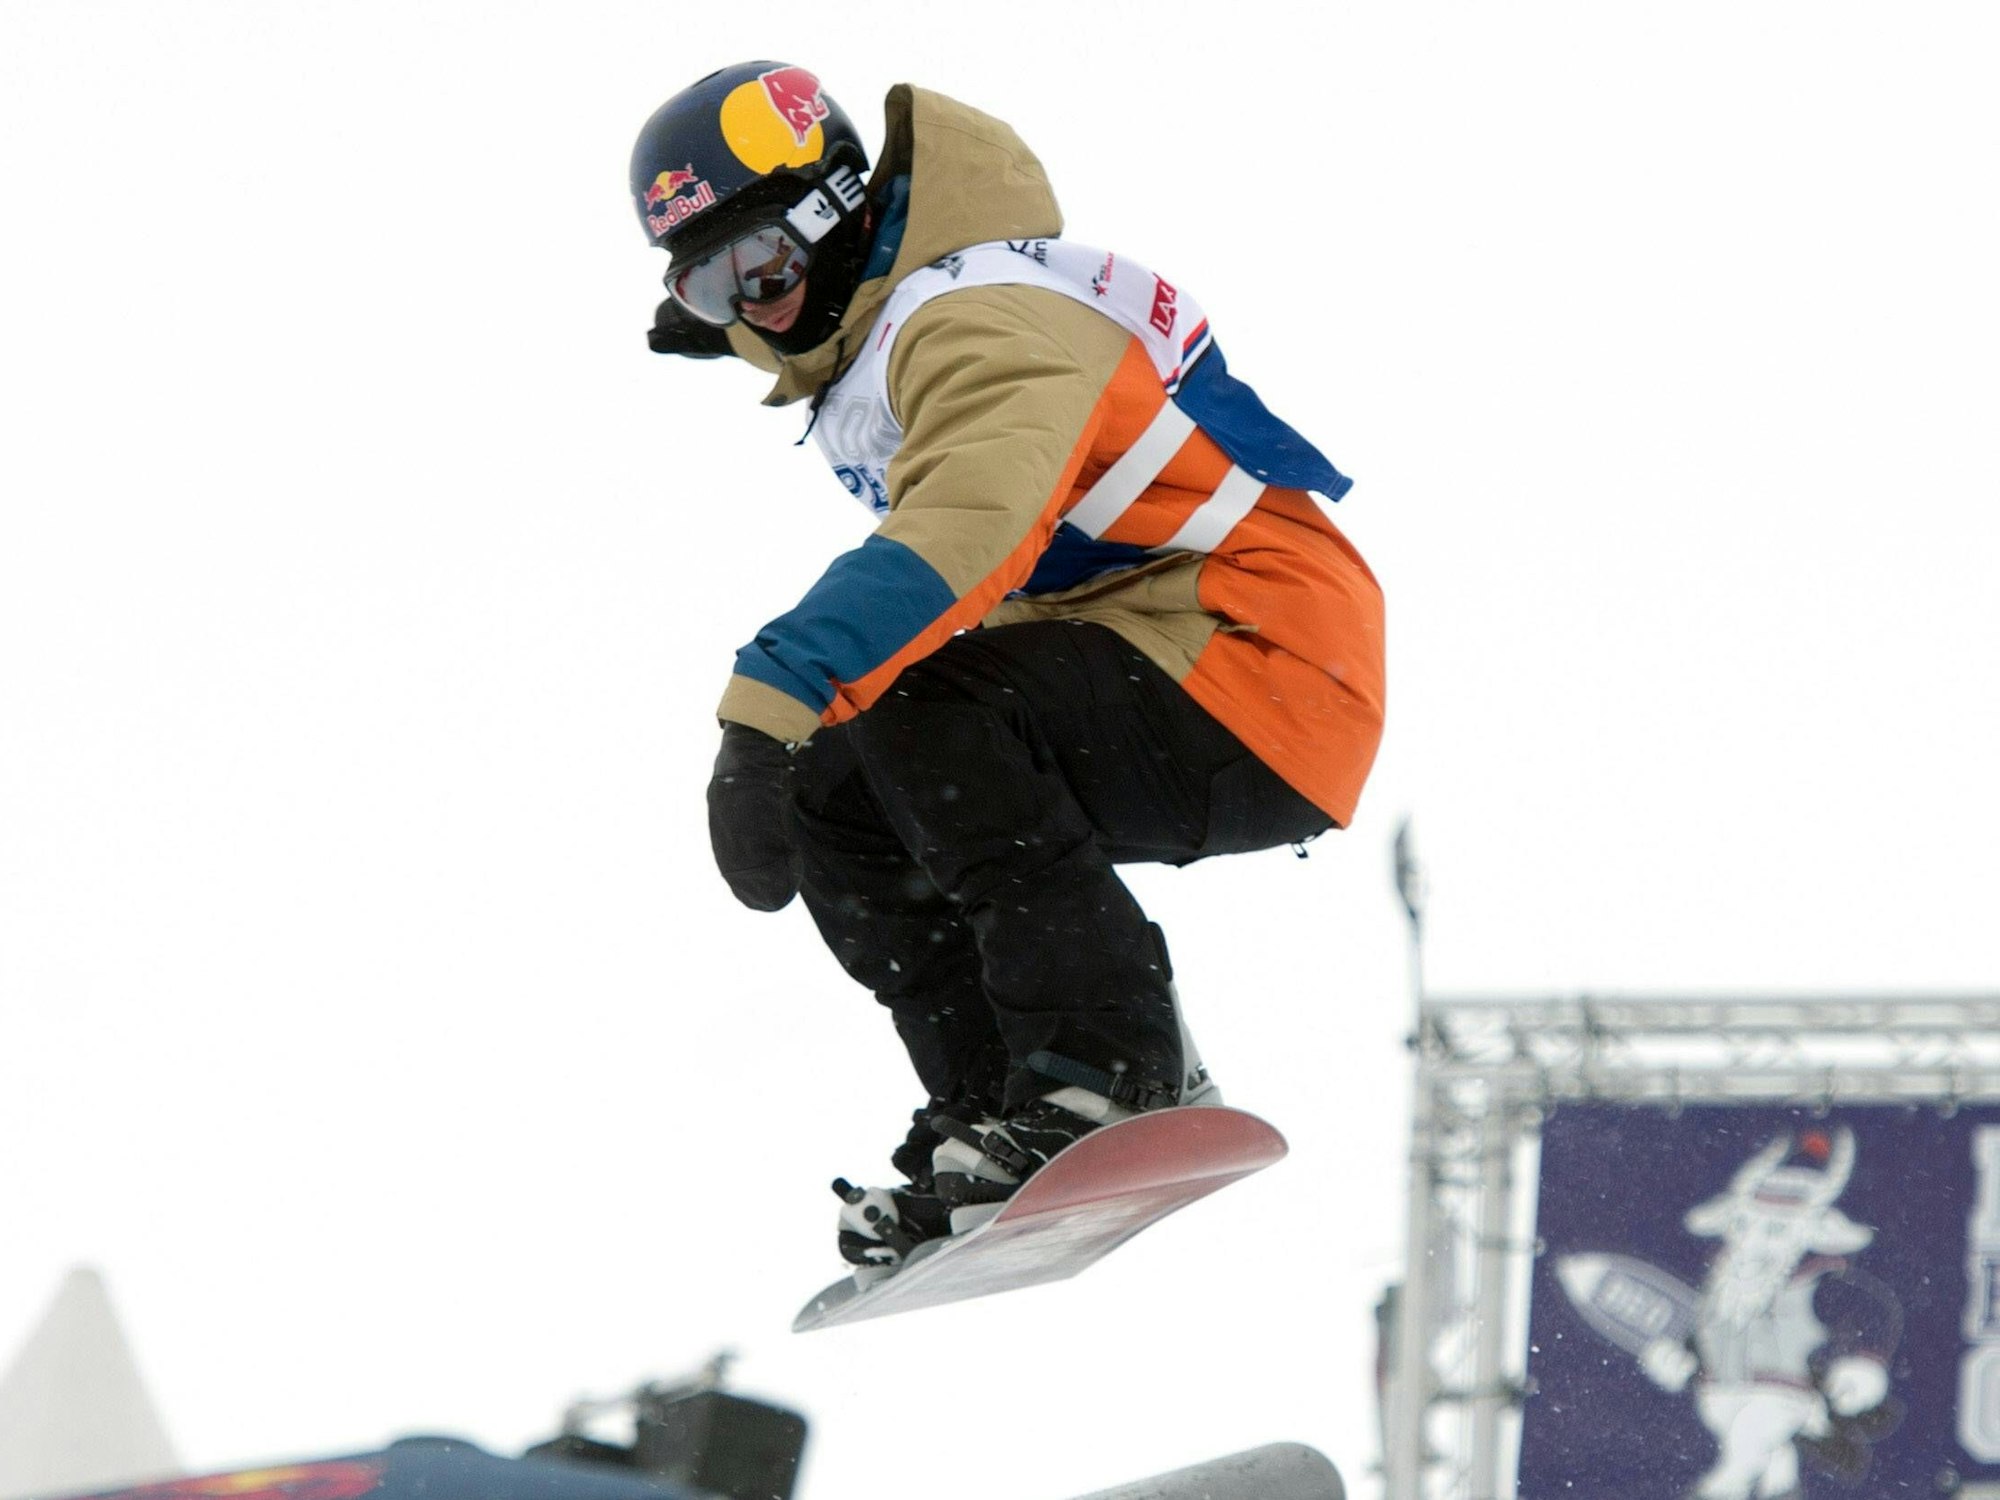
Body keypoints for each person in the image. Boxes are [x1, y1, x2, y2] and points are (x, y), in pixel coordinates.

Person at [632, 63, 1385, 1278]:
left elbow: (964, 528)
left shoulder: (976, 317)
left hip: (1263, 664)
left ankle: (1109, 1068)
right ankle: (999, 1107)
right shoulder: (889, 338)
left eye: (760, 269)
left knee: (925, 718)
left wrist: (764, 707)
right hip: (1161, 658)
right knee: (839, 787)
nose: (752, 313)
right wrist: (796, 743)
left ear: (834, 218)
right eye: (706, 289)